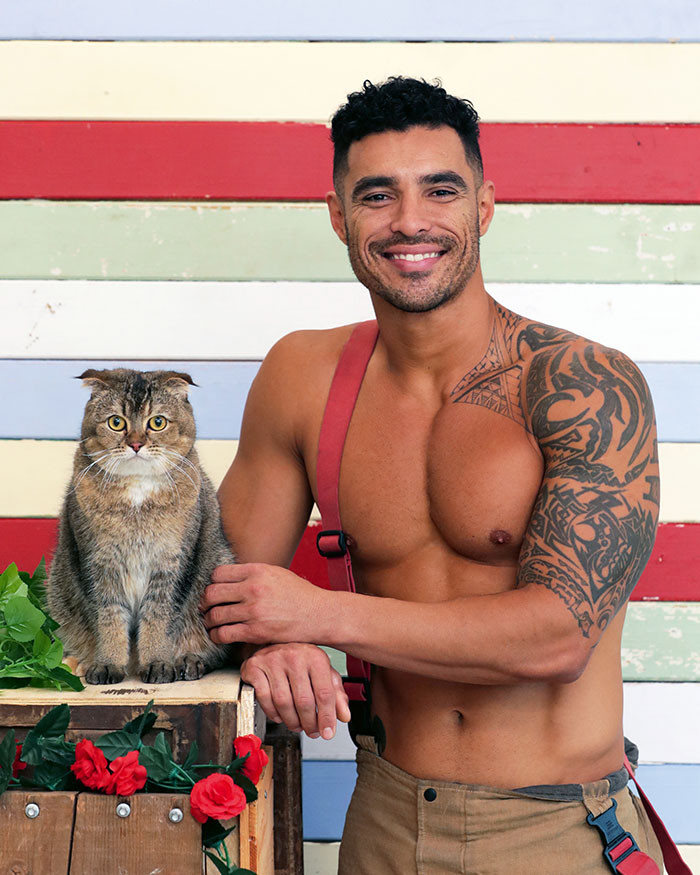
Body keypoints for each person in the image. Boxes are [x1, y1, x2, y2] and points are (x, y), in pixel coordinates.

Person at [201, 77, 664, 873]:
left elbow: (556, 635)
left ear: (484, 206)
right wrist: (260, 649)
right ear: (339, 215)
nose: (410, 221)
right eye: (377, 195)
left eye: (440, 190)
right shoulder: (302, 377)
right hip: (384, 817)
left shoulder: (583, 381)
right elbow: (219, 589)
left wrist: (318, 615)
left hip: (558, 830)